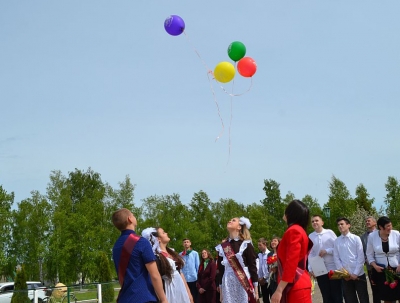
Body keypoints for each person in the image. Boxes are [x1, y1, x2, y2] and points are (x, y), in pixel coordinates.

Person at [111, 209, 168, 303]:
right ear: (130, 219)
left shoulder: (116, 245)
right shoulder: (141, 242)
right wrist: (163, 299)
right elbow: (154, 275)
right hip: (143, 296)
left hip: (125, 297)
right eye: (133, 215)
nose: (134, 217)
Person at [270, 200, 313, 303]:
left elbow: (291, 262)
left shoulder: (294, 230)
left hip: (295, 285)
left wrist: (279, 290)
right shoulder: (299, 230)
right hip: (296, 283)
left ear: (291, 213)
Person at [141, 227, 194, 303]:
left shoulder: (172, 252)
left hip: (181, 288)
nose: (166, 233)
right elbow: (155, 279)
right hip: (168, 290)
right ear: (158, 239)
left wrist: (189, 294)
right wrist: (162, 299)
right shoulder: (156, 257)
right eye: (163, 232)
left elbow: (180, 273)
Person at [215, 217, 259, 303]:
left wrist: (256, 290)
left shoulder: (246, 244)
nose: (230, 221)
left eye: (233, 220)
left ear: (239, 227)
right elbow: (220, 270)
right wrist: (221, 292)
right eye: (230, 220)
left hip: (243, 281)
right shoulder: (222, 247)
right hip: (228, 282)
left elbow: (252, 267)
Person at [334, 217, 369, 303]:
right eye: (338, 225)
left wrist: (355, 273)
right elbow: (336, 258)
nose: (340, 226)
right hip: (346, 276)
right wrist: (344, 273)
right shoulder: (337, 241)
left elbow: (361, 257)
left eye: (342, 224)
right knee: (350, 299)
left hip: (358, 274)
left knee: (363, 298)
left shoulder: (356, 238)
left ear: (348, 225)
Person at [308, 215, 342, 303]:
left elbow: (337, 248)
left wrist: (327, 251)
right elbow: (310, 253)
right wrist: (310, 268)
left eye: (316, 220)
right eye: (313, 221)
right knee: (326, 295)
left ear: (322, 222)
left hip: (333, 268)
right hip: (320, 270)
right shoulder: (311, 236)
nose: (314, 222)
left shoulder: (329, 233)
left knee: (337, 295)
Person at [366, 216, 400, 303]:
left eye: (390, 225)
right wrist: (374, 266)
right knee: (387, 297)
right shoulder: (372, 236)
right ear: (380, 227)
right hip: (382, 271)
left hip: (397, 269)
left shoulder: (396, 234)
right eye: (388, 226)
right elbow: (369, 254)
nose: (390, 228)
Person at [361, 216, 381, 303]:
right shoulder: (363, 237)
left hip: (382, 265)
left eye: (369, 221)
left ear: (375, 223)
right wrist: (366, 259)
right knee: (375, 289)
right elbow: (362, 250)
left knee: (386, 287)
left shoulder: (380, 233)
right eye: (366, 221)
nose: (367, 222)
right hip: (370, 267)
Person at [180, 238, 200, 302]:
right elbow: (180, 267)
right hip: (184, 279)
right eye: (184, 242)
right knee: (186, 296)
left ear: (190, 243)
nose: (186, 243)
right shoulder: (180, 255)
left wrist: (198, 278)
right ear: (183, 244)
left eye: (187, 242)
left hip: (193, 278)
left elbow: (197, 266)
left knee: (194, 295)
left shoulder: (195, 253)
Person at [257, 237, 271, 303]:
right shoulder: (259, 255)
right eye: (258, 245)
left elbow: (270, 268)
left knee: (272, 297)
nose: (258, 247)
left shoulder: (270, 254)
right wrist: (259, 278)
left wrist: (265, 277)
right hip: (262, 281)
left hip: (269, 280)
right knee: (265, 299)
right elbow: (258, 267)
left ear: (265, 244)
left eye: (260, 245)